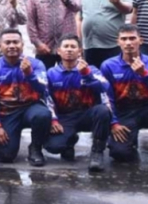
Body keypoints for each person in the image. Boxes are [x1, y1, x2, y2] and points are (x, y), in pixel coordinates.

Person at [100, 24, 148, 168]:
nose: (128, 43)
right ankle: (130, 143)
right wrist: (113, 123)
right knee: (120, 154)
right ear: (118, 42)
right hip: (124, 111)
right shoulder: (108, 65)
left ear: (141, 40)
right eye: (124, 39)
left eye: (132, 38)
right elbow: (107, 97)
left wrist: (145, 74)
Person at [0, 29, 52, 166]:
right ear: (0, 45)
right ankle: (6, 142)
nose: (12, 46)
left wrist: (29, 74)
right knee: (4, 156)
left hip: (31, 108)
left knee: (43, 114)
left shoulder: (36, 64)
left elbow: (43, 89)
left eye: (15, 42)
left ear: (22, 44)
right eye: (7, 43)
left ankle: (36, 148)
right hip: (7, 112)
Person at [44, 35, 112, 172]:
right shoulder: (51, 73)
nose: (69, 50)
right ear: (59, 51)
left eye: (73, 47)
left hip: (87, 114)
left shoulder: (91, 69)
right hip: (65, 117)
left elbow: (105, 87)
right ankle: (69, 141)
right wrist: (53, 120)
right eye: (66, 47)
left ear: (80, 51)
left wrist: (87, 75)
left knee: (103, 111)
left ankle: (97, 152)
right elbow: (46, 98)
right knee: (53, 146)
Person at [26, 0, 82, 69]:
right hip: (44, 48)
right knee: (43, 76)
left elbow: (77, 6)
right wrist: (37, 43)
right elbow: (30, 22)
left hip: (67, 48)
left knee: (69, 76)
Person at [79, 0, 133, 68]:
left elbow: (129, 9)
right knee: (92, 75)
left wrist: (117, 3)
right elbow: (80, 19)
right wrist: (79, 42)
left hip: (113, 45)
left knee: (113, 75)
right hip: (90, 46)